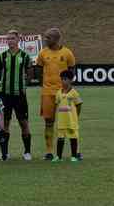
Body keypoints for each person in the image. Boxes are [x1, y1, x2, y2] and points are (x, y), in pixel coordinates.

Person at [35, 28, 76, 161]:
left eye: (48, 38)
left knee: (69, 122)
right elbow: (39, 71)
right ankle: (49, 151)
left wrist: (67, 88)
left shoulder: (67, 53)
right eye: (45, 37)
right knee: (48, 122)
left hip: (63, 93)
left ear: (56, 39)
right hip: (47, 92)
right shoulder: (42, 53)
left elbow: (71, 72)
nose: (45, 40)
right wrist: (45, 85)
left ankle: (75, 152)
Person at [0, 30, 32, 161]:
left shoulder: (25, 56)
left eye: (12, 38)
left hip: (20, 95)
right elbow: (0, 72)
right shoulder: (1, 56)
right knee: (4, 123)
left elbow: (30, 72)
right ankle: (5, 153)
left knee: (23, 123)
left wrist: (24, 85)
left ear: (18, 40)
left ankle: (27, 152)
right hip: (5, 95)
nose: (10, 41)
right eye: (8, 39)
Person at [52, 70, 82, 163]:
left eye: (65, 79)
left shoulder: (74, 93)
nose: (63, 81)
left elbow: (79, 104)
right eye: (62, 79)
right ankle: (58, 156)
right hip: (61, 120)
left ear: (70, 80)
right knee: (60, 138)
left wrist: (76, 116)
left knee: (73, 137)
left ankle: (73, 156)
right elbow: (56, 104)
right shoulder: (59, 93)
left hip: (71, 120)